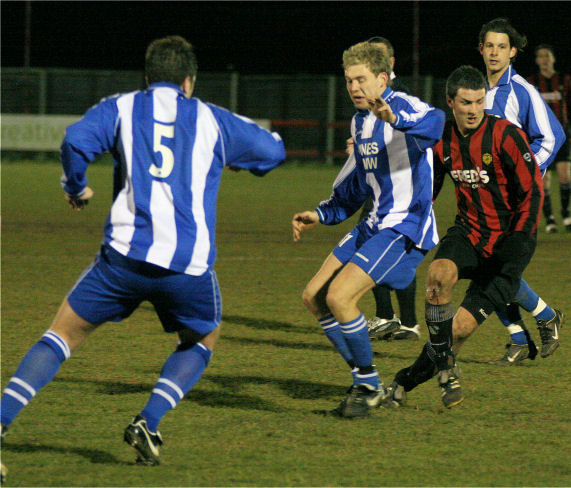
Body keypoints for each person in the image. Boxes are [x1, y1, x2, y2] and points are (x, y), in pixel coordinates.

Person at [0, 35, 286, 471]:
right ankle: (148, 421)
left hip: (123, 260)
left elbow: (76, 140)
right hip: (186, 269)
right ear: (189, 82)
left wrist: (75, 186)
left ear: (147, 78)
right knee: (202, 338)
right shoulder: (212, 119)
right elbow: (273, 150)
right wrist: (237, 159)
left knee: (62, 335)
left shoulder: (122, 106)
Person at [291, 41, 444, 418]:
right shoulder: (359, 122)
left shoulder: (404, 105)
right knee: (314, 296)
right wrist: (320, 213)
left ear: (381, 78)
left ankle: (367, 385)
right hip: (373, 223)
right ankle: (364, 379)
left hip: (404, 225)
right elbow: (359, 185)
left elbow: (437, 123)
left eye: (361, 79)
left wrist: (394, 118)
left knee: (341, 298)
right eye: (348, 81)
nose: (354, 87)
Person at [382, 65, 544, 409]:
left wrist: (520, 238)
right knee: (437, 278)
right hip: (469, 232)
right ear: (450, 102)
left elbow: (533, 191)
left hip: (508, 247)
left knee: (457, 331)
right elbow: (429, 186)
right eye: (466, 102)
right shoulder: (442, 138)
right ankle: (447, 370)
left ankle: (403, 382)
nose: (473, 110)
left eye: (479, 102)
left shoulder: (506, 134)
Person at [478, 18, 566, 365]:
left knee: (497, 267)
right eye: (489, 46)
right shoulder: (475, 88)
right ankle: (522, 333)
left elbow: (552, 137)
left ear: (513, 52)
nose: (495, 52)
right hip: (482, 194)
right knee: (486, 266)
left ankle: (540, 320)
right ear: (481, 50)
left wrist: (525, 175)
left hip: (514, 197)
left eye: (502, 46)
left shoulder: (522, 91)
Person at [359, 36, 420, 342]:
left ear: (391, 62)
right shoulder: (370, 92)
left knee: (390, 251)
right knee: (374, 247)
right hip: (378, 187)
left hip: (396, 189)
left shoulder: (400, 94)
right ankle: (393, 318)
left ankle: (401, 321)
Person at [528, 44, 571, 233]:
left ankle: (566, 213)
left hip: (562, 135)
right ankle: (549, 218)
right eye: (540, 56)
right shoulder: (532, 82)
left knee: (565, 175)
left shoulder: (564, 80)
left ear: (553, 59)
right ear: (537, 60)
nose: (544, 59)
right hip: (540, 137)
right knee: (545, 180)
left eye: (547, 56)